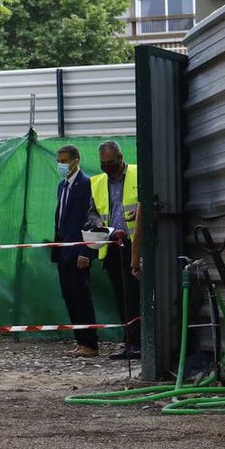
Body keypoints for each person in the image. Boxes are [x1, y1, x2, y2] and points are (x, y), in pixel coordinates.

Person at [87, 140, 140, 360]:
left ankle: (141, 342)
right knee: (122, 297)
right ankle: (129, 342)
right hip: (111, 248)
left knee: (137, 296)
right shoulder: (97, 183)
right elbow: (91, 212)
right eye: (103, 163)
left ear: (120, 158)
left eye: (110, 162)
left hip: (134, 244)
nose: (106, 167)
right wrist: (97, 223)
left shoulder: (138, 174)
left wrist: (140, 214)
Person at [53, 145, 99, 357]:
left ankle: (90, 343)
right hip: (63, 251)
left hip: (79, 251)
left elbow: (91, 220)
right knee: (68, 295)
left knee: (81, 296)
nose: (60, 165)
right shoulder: (62, 186)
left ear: (76, 161)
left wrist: (86, 251)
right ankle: (80, 340)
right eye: (58, 161)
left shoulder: (87, 185)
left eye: (64, 161)